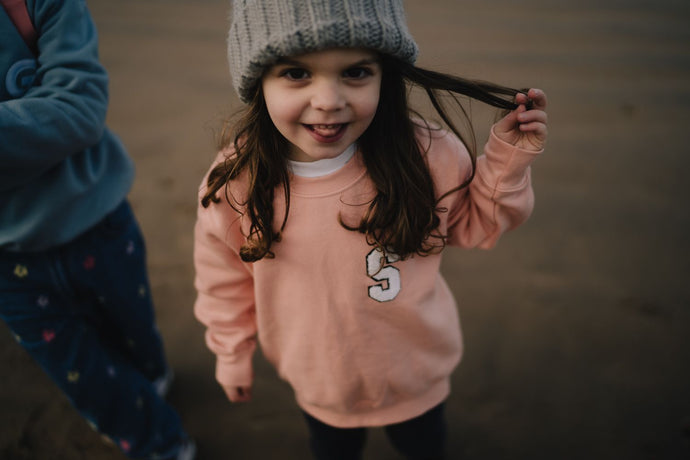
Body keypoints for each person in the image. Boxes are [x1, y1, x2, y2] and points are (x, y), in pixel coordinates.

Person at [193, 0, 548, 458]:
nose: (328, 100)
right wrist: (231, 353)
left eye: (356, 72)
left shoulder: (425, 154)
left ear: (387, 74)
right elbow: (222, 280)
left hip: (416, 373)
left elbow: (476, 226)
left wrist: (507, 163)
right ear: (257, 79)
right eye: (296, 73)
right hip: (319, 382)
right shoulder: (238, 182)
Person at [0, 1, 195, 459]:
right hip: (9, 264)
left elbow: (80, 109)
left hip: (99, 218)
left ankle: (152, 378)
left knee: (137, 336)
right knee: (83, 375)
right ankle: (163, 446)